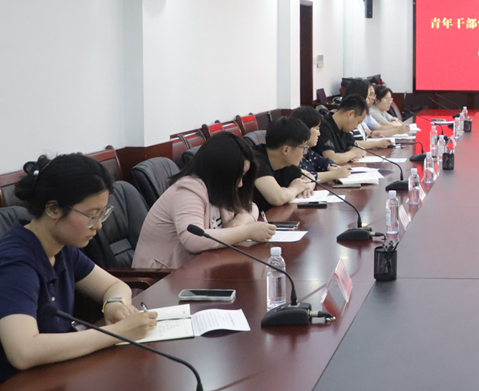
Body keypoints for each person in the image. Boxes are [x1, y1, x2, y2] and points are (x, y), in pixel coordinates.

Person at [0, 154, 158, 383]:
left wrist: (114, 305)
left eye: (103, 214)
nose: (99, 225)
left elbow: (114, 286)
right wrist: (118, 332)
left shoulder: (61, 247)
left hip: (58, 373)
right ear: (53, 209)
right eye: (92, 215)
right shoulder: (16, 262)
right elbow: (23, 352)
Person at [133, 133, 275, 269]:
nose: (240, 184)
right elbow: (193, 239)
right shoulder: (188, 190)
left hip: (199, 268)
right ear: (221, 172)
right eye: (238, 176)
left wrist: (240, 222)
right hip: (162, 277)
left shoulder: (218, 188)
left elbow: (250, 206)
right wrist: (246, 232)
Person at [252, 117, 316, 212]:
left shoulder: (284, 162)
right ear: (286, 150)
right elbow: (278, 198)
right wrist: (296, 189)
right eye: (304, 147)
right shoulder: (256, 160)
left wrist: (307, 187)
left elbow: (309, 176)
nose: (305, 152)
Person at [315, 95, 386, 165]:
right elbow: (331, 158)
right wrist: (352, 154)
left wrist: (349, 155)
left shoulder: (343, 128)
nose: (356, 127)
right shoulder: (323, 127)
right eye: (358, 122)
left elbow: (357, 148)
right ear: (350, 114)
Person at [291, 106, 352, 182]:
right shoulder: (293, 155)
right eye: (317, 129)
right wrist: (334, 174)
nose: (319, 134)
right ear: (305, 129)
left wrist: (334, 168)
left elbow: (324, 161)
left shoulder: (308, 151)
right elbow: (302, 177)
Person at [343, 79, 409, 139]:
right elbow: (368, 133)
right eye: (370, 95)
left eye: (373, 95)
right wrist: (397, 130)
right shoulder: (354, 114)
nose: (373, 98)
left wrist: (399, 128)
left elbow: (379, 127)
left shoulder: (366, 112)